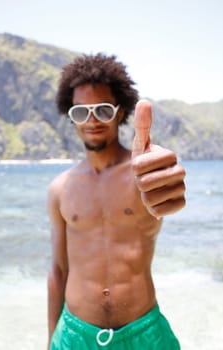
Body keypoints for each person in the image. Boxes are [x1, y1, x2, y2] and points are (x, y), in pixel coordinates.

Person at [47, 53, 186, 349]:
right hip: (74, 335)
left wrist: (167, 186)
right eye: (81, 112)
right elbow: (58, 271)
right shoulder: (60, 188)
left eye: (103, 109)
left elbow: (163, 192)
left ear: (120, 112)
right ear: (70, 115)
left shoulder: (143, 174)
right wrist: (50, 341)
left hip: (144, 333)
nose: (92, 120)